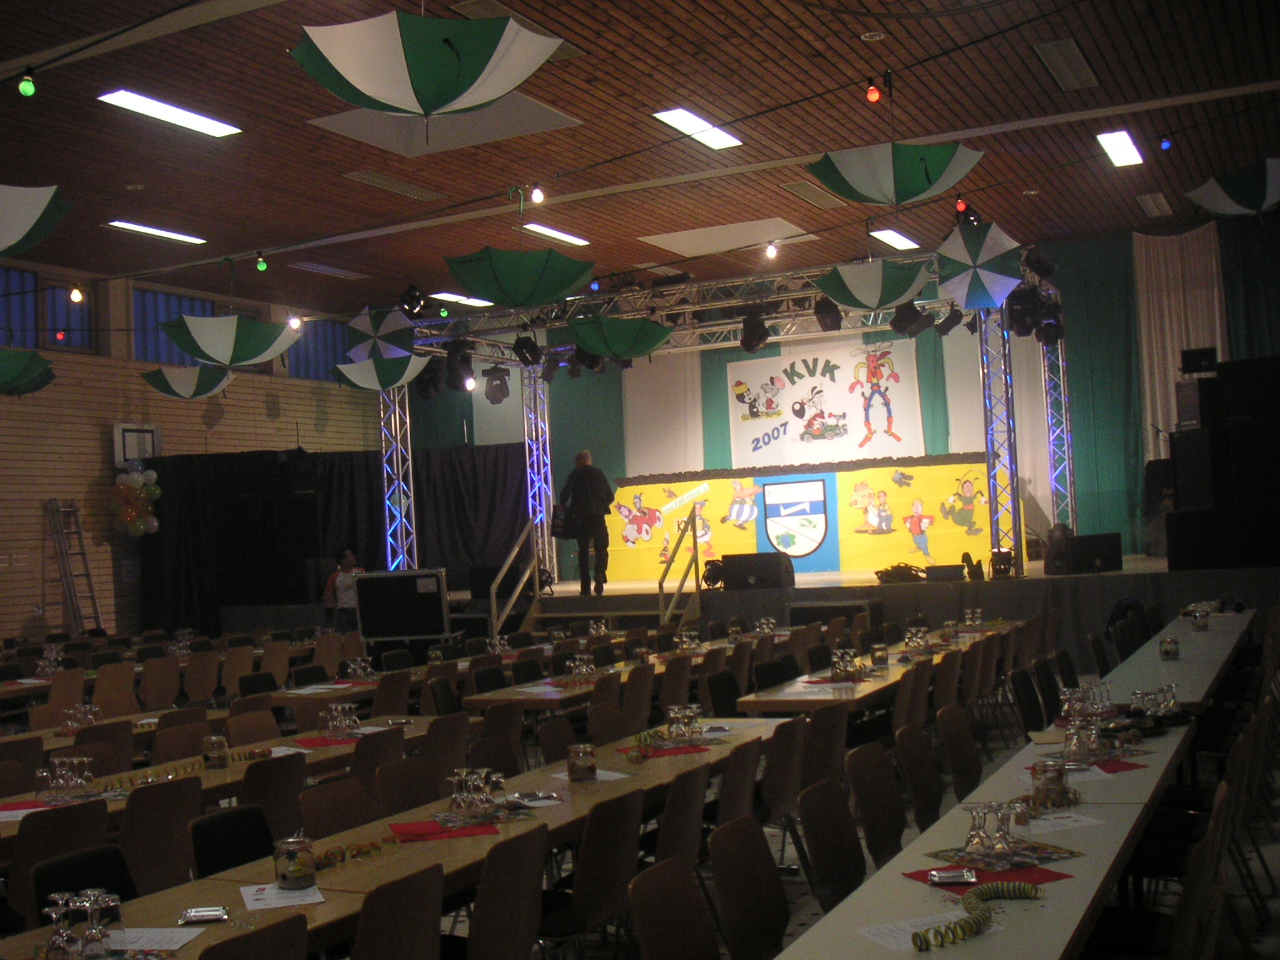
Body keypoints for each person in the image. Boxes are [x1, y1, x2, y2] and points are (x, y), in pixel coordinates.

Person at [560, 450, 614, 596]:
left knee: (583, 551)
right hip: (598, 517)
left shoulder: (575, 474)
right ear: (589, 460)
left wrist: (563, 504)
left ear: (578, 461)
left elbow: (565, 493)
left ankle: (585, 586)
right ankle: (599, 572)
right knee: (601, 548)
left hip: (580, 518)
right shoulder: (599, 473)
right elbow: (610, 496)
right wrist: (601, 506)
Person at [323, 548, 364, 632]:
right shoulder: (335, 577)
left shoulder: (360, 572)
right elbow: (327, 595)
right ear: (343, 560)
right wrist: (330, 599)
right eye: (350, 555)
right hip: (344, 611)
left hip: (359, 609)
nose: (354, 557)